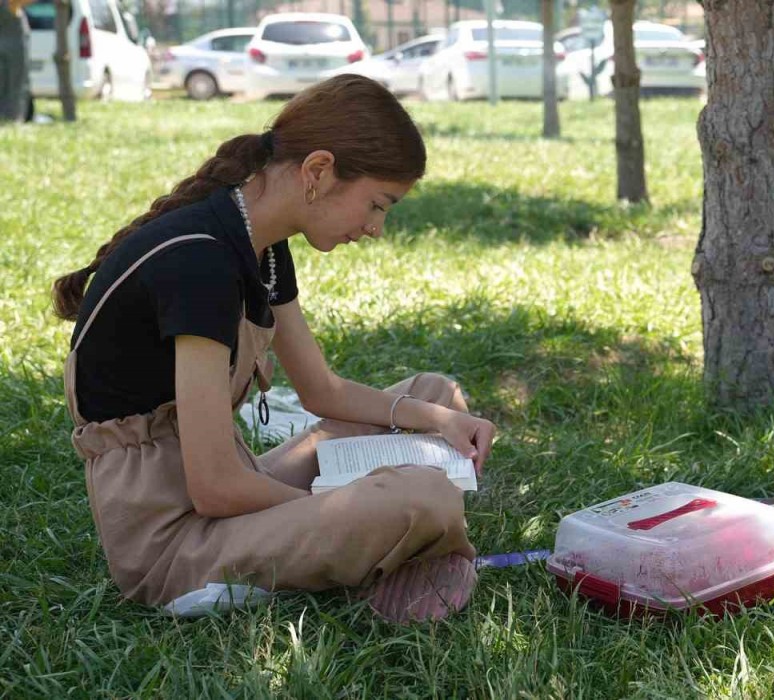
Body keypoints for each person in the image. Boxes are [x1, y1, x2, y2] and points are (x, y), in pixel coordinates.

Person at [54, 75, 494, 622]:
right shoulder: (201, 263)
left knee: (435, 395)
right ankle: (389, 545)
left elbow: (322, 390)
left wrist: (437, 421)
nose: (376, 228)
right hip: (175, 541)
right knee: (423, 500)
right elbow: (214, 489)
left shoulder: (260, 246)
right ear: (318, 171)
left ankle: (385, 540)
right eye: (378, 205)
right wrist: (346, 504)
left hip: (228, 490)